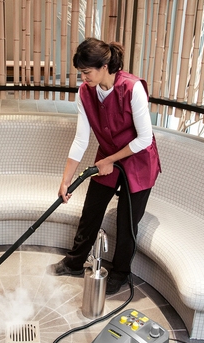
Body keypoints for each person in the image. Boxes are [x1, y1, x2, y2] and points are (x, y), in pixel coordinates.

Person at [49, 38, 161, 295]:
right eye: (81, 72)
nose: (83, 77)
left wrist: (110, 160)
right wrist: (66, 180)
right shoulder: (85, 93)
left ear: (105, 65)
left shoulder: (132, 89)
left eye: (87, 72)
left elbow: (144, 138)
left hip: (139, 162)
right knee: (91, 210)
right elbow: (81, 138)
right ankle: (75, 261)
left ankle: (121, 273)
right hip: (107, 157)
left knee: (126, 222)